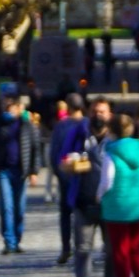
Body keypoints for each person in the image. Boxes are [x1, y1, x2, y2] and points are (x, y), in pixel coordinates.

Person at [98, 111, 139, 277]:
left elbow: (107, 181)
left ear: (111, 131)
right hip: (136, 205)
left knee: (120, 251)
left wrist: (99, 196)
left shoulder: (110, 152)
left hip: (116, 206)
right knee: (136, 248)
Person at [64, 97, 112, 277]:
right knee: (83, 249)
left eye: (102, 111)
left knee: (111, 250)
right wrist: (70, 164)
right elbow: (62, 160)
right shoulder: (78, 134)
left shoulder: (116, 137)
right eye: (94, 111)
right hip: (83, 201)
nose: (98, 115)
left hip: (110, 203)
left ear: (109, 115)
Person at [0, 97, 43, 255]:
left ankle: (17, 238)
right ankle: (9, 241)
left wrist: (34, 171)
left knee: (19, 208)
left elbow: (35, 148)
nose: (8, 110)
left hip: (21, 170)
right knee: (7, 206)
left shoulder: (26, 125)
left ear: (18, 108)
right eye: (5, 107)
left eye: (11, 107)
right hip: (3, 170)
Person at [48, 95, 89, 266]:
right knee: (85, 214)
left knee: (65, 214)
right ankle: (85, 247)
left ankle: (66, 248)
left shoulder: (61, 126)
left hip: (67, 176)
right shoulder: (89, 123)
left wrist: (60, 173)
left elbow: (54, 153)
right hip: (86, 177)